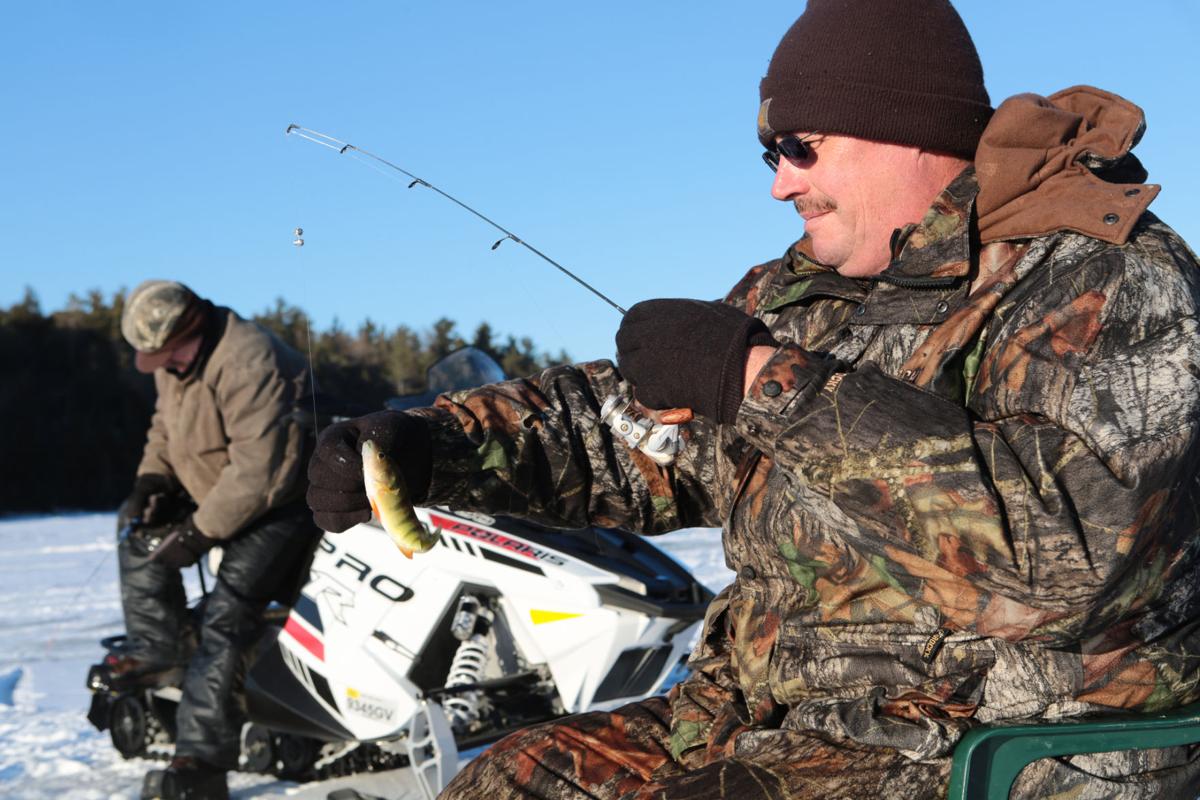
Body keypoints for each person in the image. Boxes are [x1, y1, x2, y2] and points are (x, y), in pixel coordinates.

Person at [307, 1, 1200, 797]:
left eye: (801, 148)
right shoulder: (800, 296)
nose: (780, 182)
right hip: (766, 721)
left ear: (905, 127)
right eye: (770, 154)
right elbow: (630, 437)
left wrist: (760, 382)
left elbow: (1076, 564)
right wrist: (430, 447)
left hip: (998, 744)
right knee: (504, 780)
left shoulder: (1103, 276)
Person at [110, 279, 319, 800]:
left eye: (167, 356)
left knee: (227, 617)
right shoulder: (178, 362)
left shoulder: (249, 360)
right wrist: (151, 482)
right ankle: (160, 650)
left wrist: (198, 533)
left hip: (283, 504)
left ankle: (201, 762)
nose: (163, 367)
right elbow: (165, 428)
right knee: (136, 531)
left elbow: (261, 472)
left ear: (193, 328)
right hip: (217, 490)